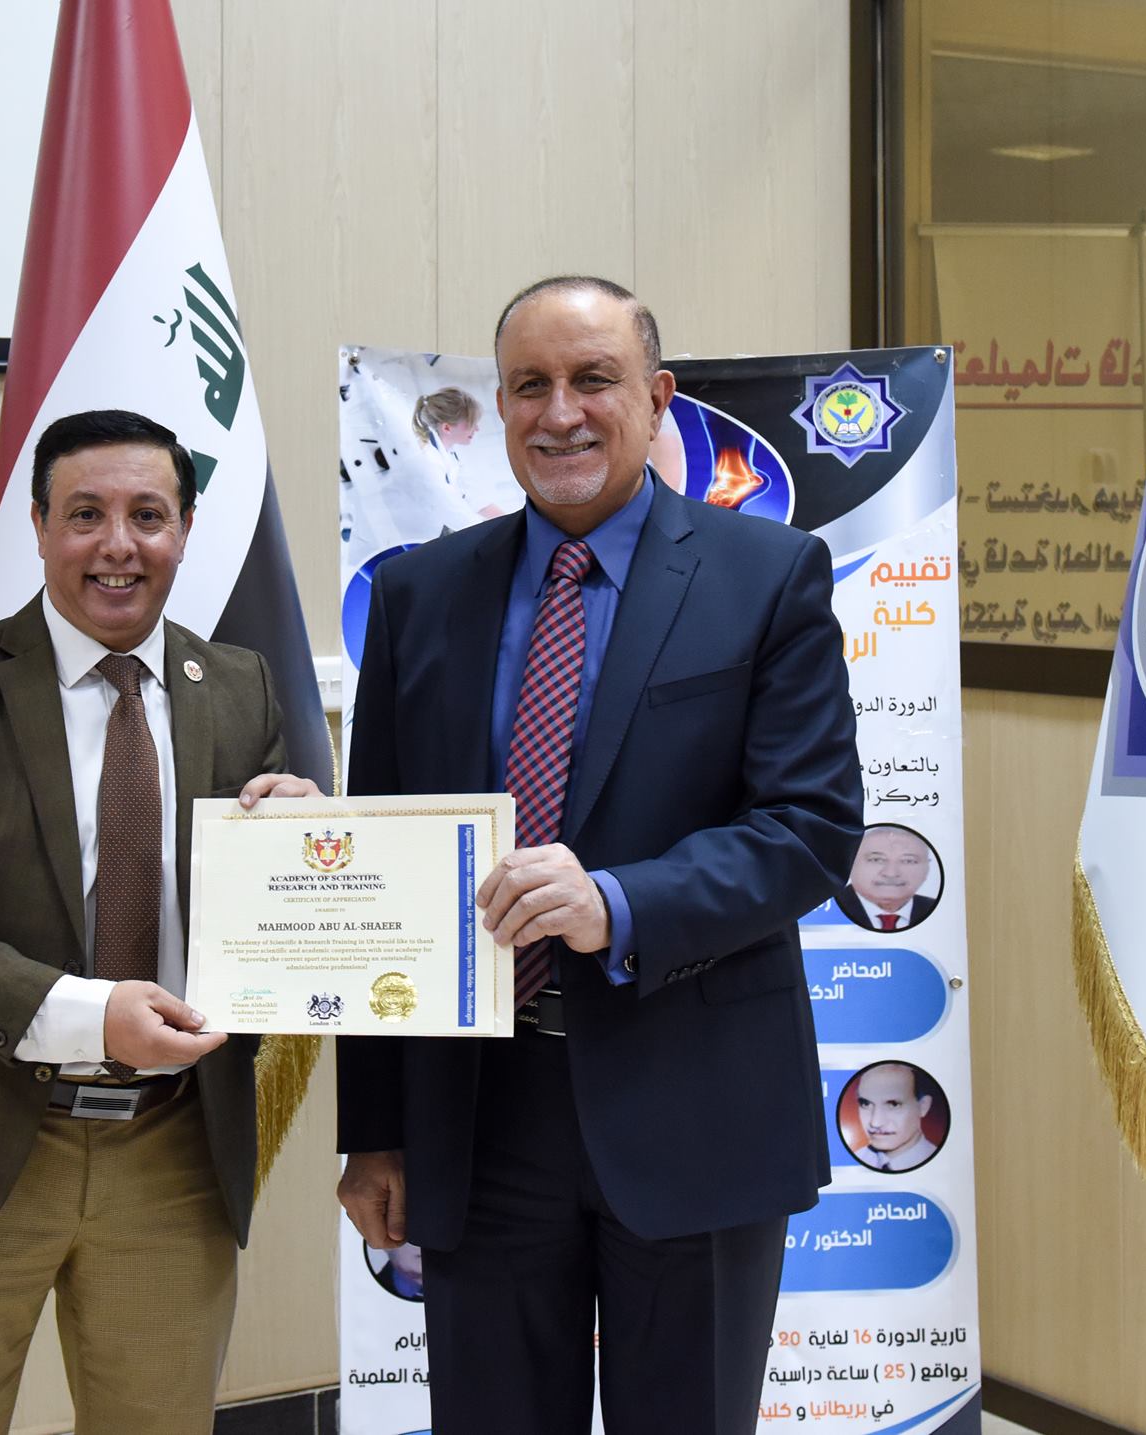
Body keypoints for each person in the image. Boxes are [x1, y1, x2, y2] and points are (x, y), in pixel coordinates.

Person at [334, 276, 863, 1435]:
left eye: (593, 380)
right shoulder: (418, 595)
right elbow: (382, 863)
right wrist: (372, 1128)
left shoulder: (766, 575)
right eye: (529, 385)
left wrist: (617, 902)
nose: (559, 412)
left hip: (695, 1101)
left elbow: (810, 826)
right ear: (499, 404)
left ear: (656, 397)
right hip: (478, 1116)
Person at [0, 408, 319, 1435]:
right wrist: (84, 1015)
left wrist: (300, 850)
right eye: (85, 514)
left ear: (185, 529)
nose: (118, 544)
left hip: (172, 1155)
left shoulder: (239, 688)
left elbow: (259, 929)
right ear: (38, 527)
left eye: (147, 515)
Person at [836, 824, 938, 932]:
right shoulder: (830, 908)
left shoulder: (940, 912)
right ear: (851, 864)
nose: (891, 873)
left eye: (908, 861)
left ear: (927, 868)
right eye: (877, 860)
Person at [850, 1062, 941, 1173]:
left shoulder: (941, 1167)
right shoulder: (853, 1161)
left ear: (923, 1107)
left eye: (893, 1104)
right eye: (866, 1104)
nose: (875, 1122)